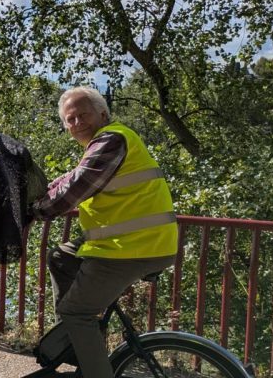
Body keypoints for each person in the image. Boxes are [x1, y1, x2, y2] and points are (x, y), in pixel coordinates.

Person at [31, 86, 178, 378]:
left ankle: (89, 361)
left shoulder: (112, 139)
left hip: (133, 247)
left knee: (77, 312)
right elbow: (65, 181)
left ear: (103, 113)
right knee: (61, 257)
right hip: (128, 243)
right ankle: (78, 343)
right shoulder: (99, 146)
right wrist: (35, 197)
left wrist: (35, 212)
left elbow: (74, 189)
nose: (76, 124)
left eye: (82, 115)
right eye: (69, 120)